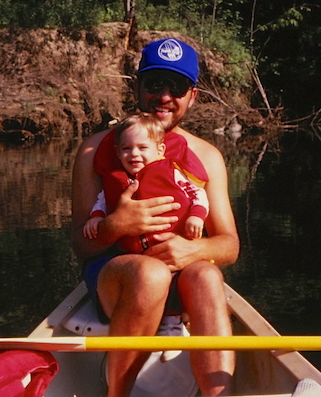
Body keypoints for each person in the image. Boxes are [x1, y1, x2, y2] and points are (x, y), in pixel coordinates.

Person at [71, 37, 239, 396]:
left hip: (182, 275)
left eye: (176, 87)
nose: (164, 95)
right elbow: (81, 248)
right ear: (138, 87)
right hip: (118, 277)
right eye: (154, 84)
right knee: (149, 273)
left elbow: (229, 245)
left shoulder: (207, 157)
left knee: (208, 273)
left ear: (192, 95)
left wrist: (191, 251)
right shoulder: (93, 150)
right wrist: (114, 226)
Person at [83, 112, 209, 252]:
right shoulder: (115, 179)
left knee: (205, 273)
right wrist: (96, 217)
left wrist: (196, 216)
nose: (134, 153)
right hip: (136, 255)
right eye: (126, 148)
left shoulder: (171, 171)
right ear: (117, 152)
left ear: (160, 150)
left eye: (142, 148)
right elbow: (102, 200)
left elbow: (197, 193)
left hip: (177, 246)